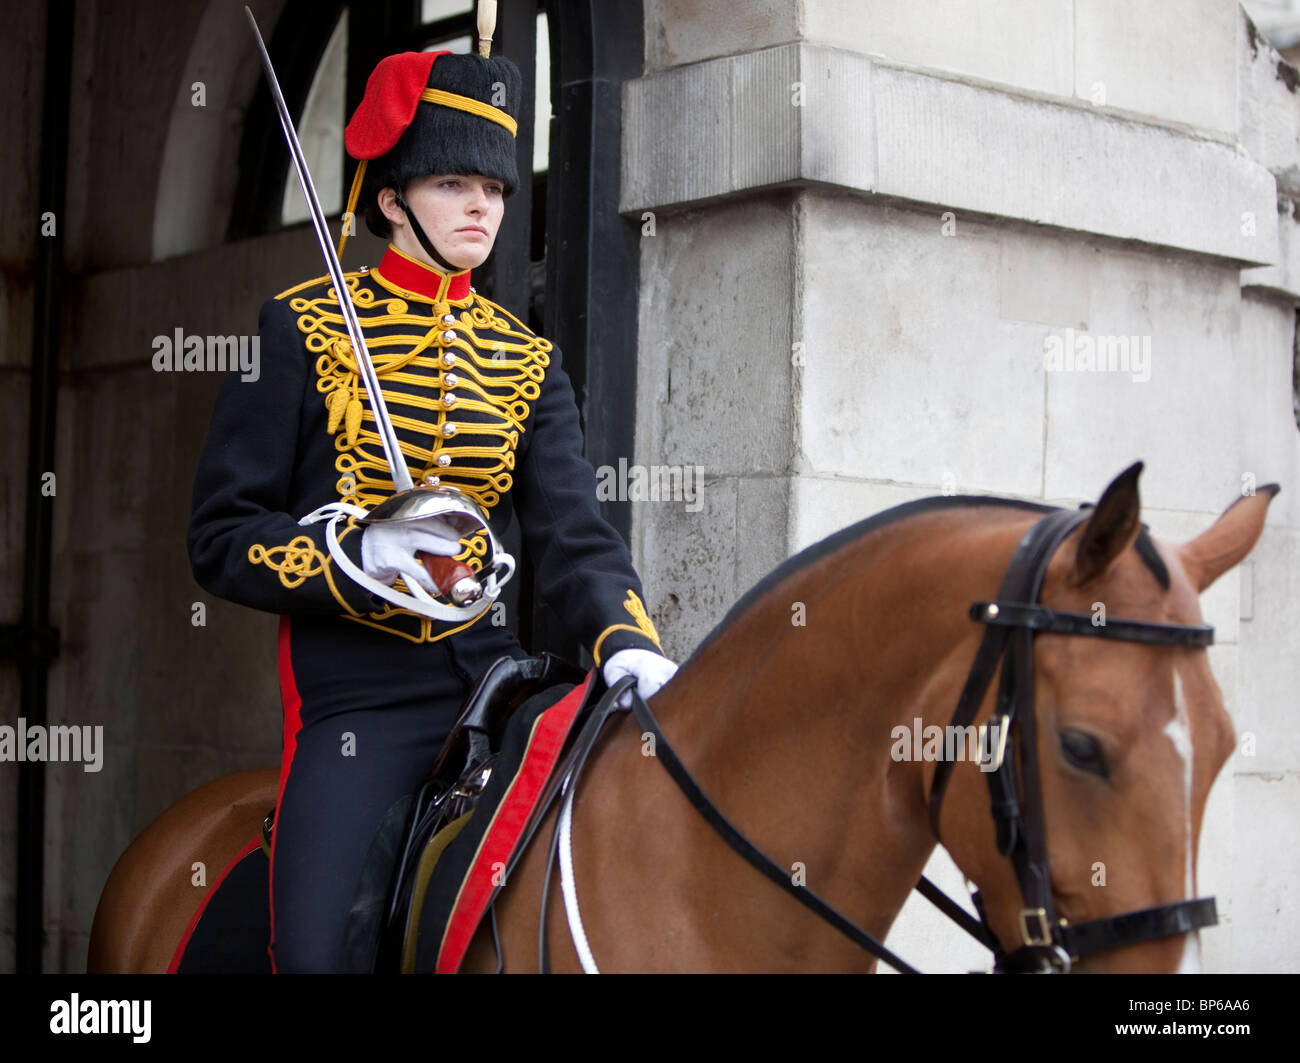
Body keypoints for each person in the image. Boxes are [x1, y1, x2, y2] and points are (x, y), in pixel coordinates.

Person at [187, 47, 676, 973]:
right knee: (316, 954)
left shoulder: (528, 361)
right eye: (454, 182)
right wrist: (355, 555)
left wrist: (628, 641)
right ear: (390, 198)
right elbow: (219, 537)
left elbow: (575, 536)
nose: (483, 206)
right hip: (360, 695)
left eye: (492, 185)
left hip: (496, 685)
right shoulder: (302, 328)